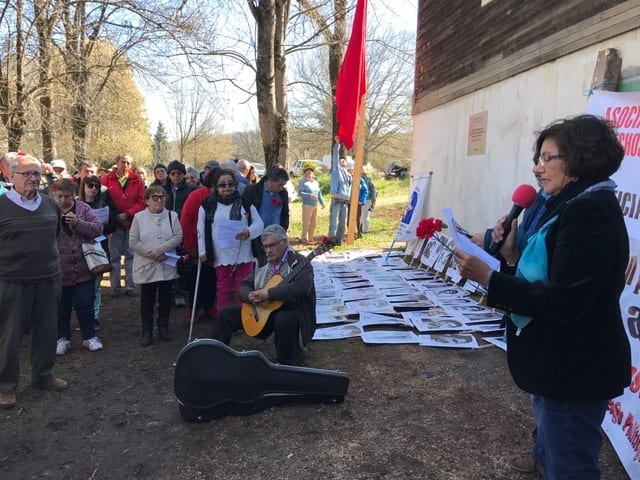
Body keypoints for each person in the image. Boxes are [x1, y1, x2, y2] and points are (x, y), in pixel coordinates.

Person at [454, 114, 631, 480]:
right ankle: (543, 456)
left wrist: (490, 278)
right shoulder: (567, 202)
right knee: (553, 434)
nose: (537, 168)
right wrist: (510, 256)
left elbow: (564, 302)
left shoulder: (589, 212)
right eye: (538, 158)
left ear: (579, 158)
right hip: (555, 358)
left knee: (571, 464)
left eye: (547, 158)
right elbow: (546, 275)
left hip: (576, 365)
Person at [0, 153, 69, 409]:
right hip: (12, 281)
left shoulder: (50, 205)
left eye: (36, 174)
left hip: (48, 279)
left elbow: (56, 234)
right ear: (11, 175)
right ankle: (5, 386)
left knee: (47, 331)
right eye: (26, 174)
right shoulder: (2, 206)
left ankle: (43, 375)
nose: (32, 178)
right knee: (9, 336)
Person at [212, 224, 316, 365]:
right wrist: (249, 295)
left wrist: (269, 294)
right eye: (265, 246)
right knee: (226, 313)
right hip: (262, 313)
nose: (268, 250)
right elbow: (243, 285)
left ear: (284, 242)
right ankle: (213, 356)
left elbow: (302, 287)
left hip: (292, 310)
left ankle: (286, 363)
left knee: (283, 319)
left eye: (272, 245)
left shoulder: (300, 262)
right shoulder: (261, 263)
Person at [198, 168, 264, 311]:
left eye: (230, 184)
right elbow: (201, 229)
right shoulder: (207, 204)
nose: (227, 187)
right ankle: (224, 316)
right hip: (220, 252)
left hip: (243, 251)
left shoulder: (245, 203)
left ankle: (243, 317)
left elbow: (259, 223)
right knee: (223, 286)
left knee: (243, 285)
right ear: (216, 186)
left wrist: (248, 232)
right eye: (222, 184)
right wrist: (202, 250)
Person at [51, 179, 104, 354]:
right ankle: (62, 337)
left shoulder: (83, 209)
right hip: (57, 268)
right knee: (61, 305)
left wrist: (77, 223)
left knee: (84, 303)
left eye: (67, 196)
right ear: (53, 194)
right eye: (59, 196)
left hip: (83, 267)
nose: (63, 200)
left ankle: (89, 336)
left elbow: (98, 228)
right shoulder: (48, 209)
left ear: (73, 195)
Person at [129, 186, 183, 346]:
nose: (159, 200)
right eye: (155, 197)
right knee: (147, 298)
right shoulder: (139, 217)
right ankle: (147, 330)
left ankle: (163, 326)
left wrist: (161, 250)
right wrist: (150, 253)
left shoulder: (172, 216)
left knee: (166, 297)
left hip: (166, 261)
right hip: (147, 263)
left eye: (162, 197)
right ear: (147, 200)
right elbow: (133, 241)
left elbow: (178, 236)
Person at [100, 152, 146, 297]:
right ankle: (115, 287)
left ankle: (131, 286)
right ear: (116, 163)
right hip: (114, 225)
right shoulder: (106, 180)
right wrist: (116, 217)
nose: (125, 165)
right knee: (114, 257)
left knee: (131, 255)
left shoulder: (136, 180)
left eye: (128, 163)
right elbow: (102, 201)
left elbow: (142, 201)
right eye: (123, 162)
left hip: (132, 223)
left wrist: (127, 214)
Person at [179, 167, 219, 322]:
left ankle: (209, 306)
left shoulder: (225, 198)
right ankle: (194, 309)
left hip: (216, 247)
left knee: (212, 279)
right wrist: (191, 246)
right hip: (198, 245)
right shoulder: (197, 196)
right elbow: (186, 220)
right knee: (196, 279)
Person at [78, 175, 117, 331]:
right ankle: (84, 315)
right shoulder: (76, 205)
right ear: (83, 186)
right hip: (81, 248)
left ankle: (94, 316)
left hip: (99, 247)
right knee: (82, 285)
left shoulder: (104, 204)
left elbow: (112, 225)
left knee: (96, 286)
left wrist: (98, 227)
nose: (93, 189)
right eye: (90, 185)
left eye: (96, 186)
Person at [328, 137, 352, 245]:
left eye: (344, 161)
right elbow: (336, 157)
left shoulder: (349, 175)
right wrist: (337, 144)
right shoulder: (337, 171)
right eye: (341, 161)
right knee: (334, 221)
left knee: (342, 222)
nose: (343, 162)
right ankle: (331, 238)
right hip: (337, 200)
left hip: (345, 201)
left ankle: (339, 239)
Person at [297, 164, 325, 243]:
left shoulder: (315, 182)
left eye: (311, 171)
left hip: (315, 205)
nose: (309, 173)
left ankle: (310, 238)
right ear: (305, 173)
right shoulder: (303, 182)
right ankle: (303, 238)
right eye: (307, 171)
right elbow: (300, 193)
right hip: (307, 205)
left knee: (313, 222)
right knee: (306, 222)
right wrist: (309, 195)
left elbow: (319, 193)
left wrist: (322, 203)